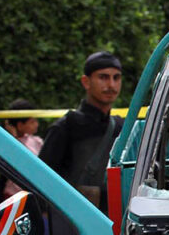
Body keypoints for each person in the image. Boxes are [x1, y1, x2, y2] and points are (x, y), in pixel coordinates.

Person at [39, 52, 124, 212]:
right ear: (86, 82)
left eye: (116, 77)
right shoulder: (65, 127)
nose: (111, 85)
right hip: (74, 225)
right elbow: (41, 183)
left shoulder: (122, 128)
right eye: (103, 77)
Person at [2, 99, 43, 200]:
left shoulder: (36, 141)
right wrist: (13, 137)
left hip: (34, 194)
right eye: (32, 122)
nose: (36, 124)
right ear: (20, 125)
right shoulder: (7, 144)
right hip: (13, 197)